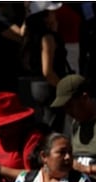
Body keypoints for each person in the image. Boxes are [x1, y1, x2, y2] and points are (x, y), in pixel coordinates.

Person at [20, 1, 70, 130]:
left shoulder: (31, 34)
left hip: (36, 86)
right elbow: (48, 71)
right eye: (51, 12)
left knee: (44, 123)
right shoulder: (47, 37)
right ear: (44, 16)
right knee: (52, 126)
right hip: (49, 87)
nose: (55, 15)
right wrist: (63, 88)